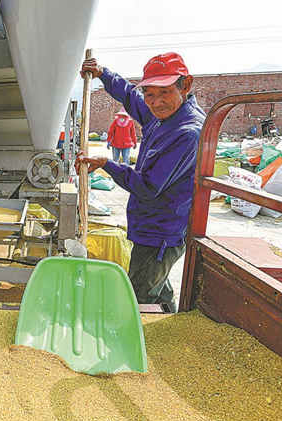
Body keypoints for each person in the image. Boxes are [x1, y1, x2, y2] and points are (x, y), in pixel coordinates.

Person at [76, 52, 205, 312]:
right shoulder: (162, 117)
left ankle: (145, 344)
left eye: (165, 92)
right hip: (151, 225)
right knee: (158, 285)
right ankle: (170, 321)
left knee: (139, 297)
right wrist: (103, 73)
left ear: (186, 85)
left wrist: (106, 164)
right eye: (150, 94)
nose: (156, 102)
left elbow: (147, 187)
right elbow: (129, 96)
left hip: (160, 233)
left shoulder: (186, 133)